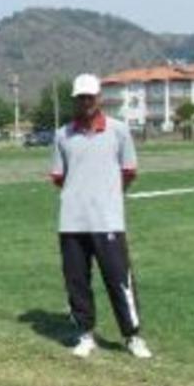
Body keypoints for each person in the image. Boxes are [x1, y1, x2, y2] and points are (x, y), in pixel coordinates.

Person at [50, 73, 152, 359]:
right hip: (71, 222)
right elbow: (59, 177)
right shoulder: (62, 135)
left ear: (99, 98)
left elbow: (129, 171)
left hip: (108, 220)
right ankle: (85, 334)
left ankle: (132, 337)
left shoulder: (119, 131)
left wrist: (107, 196)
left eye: (90, 96)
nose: (85, 102)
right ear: (74, 99)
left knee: (119, 280)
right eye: (80, 97)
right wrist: (80, 195)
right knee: (77, 281)